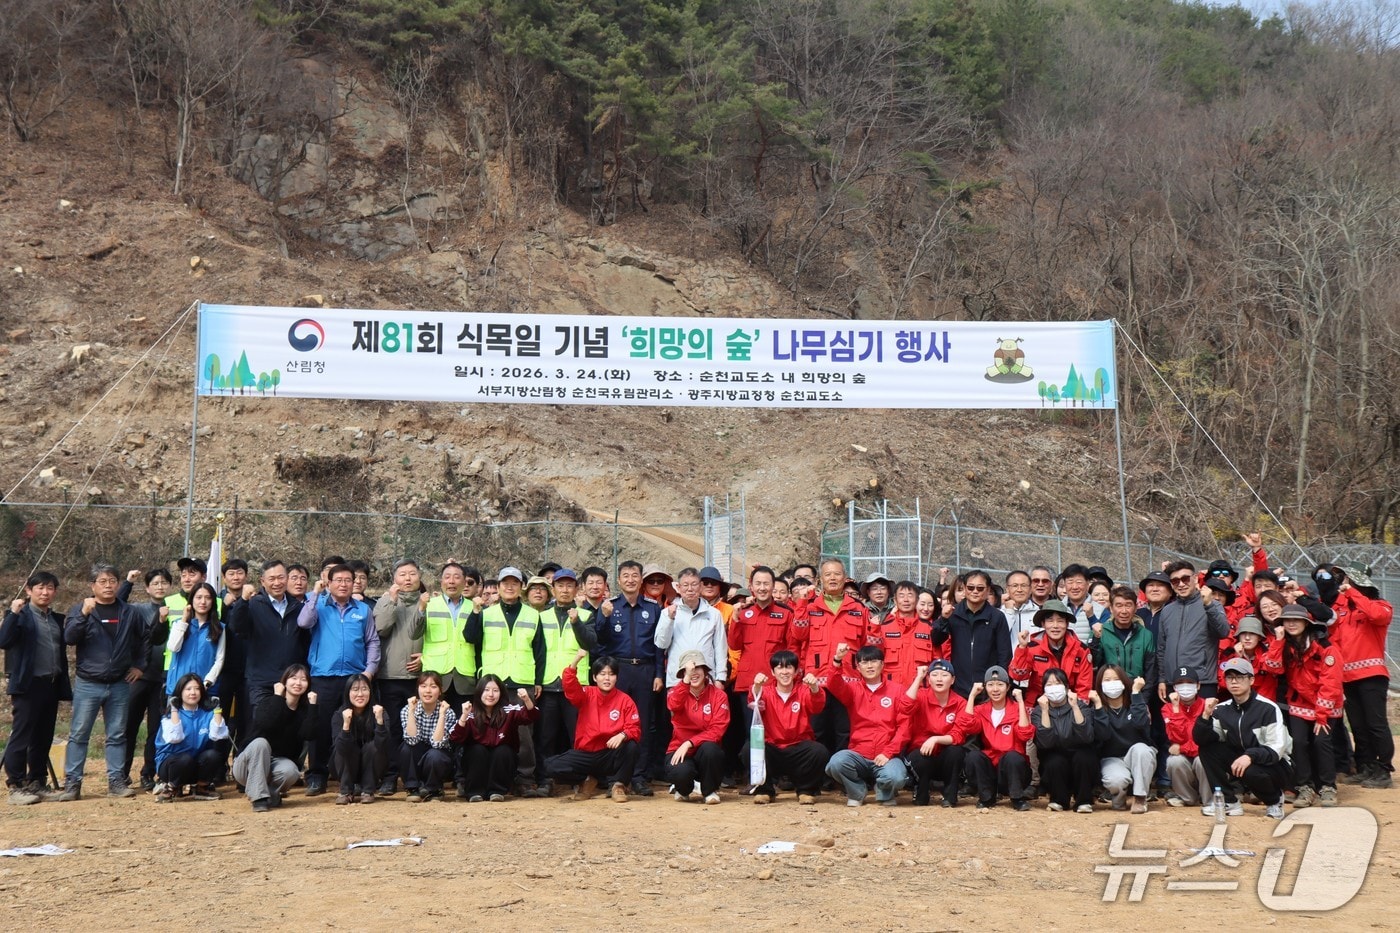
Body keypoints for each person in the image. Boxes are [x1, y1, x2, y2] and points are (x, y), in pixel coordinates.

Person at [57, 564, 145, 800]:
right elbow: (69, 638)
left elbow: (143, 640)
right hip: (88, 683)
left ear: (118, 583)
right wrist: (84, 615)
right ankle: (73, 784)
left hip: (119, 682)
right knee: (79, 734)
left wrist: (139, 666)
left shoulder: (129, 612)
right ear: (92, 586)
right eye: (103, 581)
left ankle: (116, 781)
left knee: (117, 734)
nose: (108, 585)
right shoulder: (81, 609)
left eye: (112, 581)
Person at [298, 563, 380, 795]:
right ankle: (316, 775)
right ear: (329, 583)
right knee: (320, 728)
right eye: (338, 580)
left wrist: (369, 671)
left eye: (348, 580)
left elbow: (372, 641)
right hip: (323, 676)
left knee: (353, 728)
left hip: (355, 678)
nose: (343, 584)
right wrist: (315, 593)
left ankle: (351, 776)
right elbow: (303, 623)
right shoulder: (318, 605)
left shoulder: (363, 609)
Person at [464, 567, 545, 796]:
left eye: (515, 583)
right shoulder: (486, 614)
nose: (510, 587)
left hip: (522, 681)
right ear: (497, 587)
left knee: (524, 735)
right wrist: (476, 612)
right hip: (492, 684)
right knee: (486, 732)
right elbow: (470, 638)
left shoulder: (532, 615)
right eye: (505, 583)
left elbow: (540, 651)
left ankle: (525, 779)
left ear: (521, 588)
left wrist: (537, 680)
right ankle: (493, 779)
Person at [1319, 562, 1394, 789]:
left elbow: (1376, 615)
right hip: (1347, 677)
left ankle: (1384, 770)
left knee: (1375, 724)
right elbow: (1332, 629)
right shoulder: (1343, 609)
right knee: (1358, 726)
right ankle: (1366, 766)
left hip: (1372, 674)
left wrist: (1351, 591)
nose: (1344, 583)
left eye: (1349, 579)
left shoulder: (1380, 605)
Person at [592, 560, 663, 796]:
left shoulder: (653, 608)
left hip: (645, 671)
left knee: (643, 724)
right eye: (625, 575)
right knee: (615, 724)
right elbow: (599, 640)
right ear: (618, 580)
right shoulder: (608, 606)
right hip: (618, 671)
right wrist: (603, 616)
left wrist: (659, 674)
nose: (630, 579)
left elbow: (659, 646)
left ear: (641, 579)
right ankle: (616, 777)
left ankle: (639, 777)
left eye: (635, 575)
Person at [2, 571, 71, 805]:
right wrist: (12, 612)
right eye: (40, 587)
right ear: (29, 590)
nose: (45, 592)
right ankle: (16, 785)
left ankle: (37, 781)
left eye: (50, 587)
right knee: (22, 736)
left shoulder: (56, 619)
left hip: (50, 684)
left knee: (43, 737)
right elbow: (4, 641)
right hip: (27, 685)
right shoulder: (20, 616)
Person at [1262, 604, 1341, 808]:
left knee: (1321, 742)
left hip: (1326, 705)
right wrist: (1278, 642)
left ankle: (1328, 787)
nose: (1291, 624)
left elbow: (1330, 683)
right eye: (1287, 621)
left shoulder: (1325, 647)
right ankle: (1305, 787)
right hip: (1298, 703)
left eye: (1296, 620)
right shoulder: (1285, 645)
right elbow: (1272, 667)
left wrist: (1321, 715)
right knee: (1298, 742)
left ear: (1306, 623)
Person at [1193, 657, 1291, 819]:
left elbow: (1276, 750)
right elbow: (1203, 740)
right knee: (1208, 748)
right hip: (1243, 760)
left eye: (1240, 677)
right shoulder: (1222, 709)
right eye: (1230, 677)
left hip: (1277, 765)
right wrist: (1205, 716)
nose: (1234, 682)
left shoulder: (1268, 708)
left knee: (1251, 771)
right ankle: (1229, 801)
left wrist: (1249, 756)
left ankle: (1274, 801)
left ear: (1251, 680)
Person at [546, 650, 641, 803]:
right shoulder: (586, 694)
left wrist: (622, 735)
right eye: (602, 674)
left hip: (610, 754)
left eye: (611, 674)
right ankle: (586, 781)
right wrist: (576, 660)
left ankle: (618, 785)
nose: (607, 678)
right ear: (594, 677)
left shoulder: (625, 700)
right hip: (586, 754)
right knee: (551, 766)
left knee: (631, 745)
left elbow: (635, 728)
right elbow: (570, 687)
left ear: (616, 677)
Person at [823, 643, 909, 806]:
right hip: (859, 754)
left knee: (896, 776)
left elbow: (904, 727)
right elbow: (833, 684)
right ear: (857, 666)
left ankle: (883, 791)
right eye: (864, 662)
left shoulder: (897, 690)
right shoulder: (852, 689)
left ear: (882, 664)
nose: (869, 666)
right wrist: (837, 660)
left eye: (874, 661)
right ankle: (857, 792)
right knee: (836, 763)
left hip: (887, 755)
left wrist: (888, 752)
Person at [534, 568, 597, 783]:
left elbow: (589, 643)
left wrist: (576, 621)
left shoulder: (587, 615)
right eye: (560, 585)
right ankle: (546, 780)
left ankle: (578, 779)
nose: (565, 590)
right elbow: (538, 651)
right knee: (546, 737)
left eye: (570, 585)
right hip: (549, 684)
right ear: (553, 589)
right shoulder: (541, 617)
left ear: (576, 589)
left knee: (577, 736)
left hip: (576, 687)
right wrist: (537, 681)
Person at [371, 559, 428, 796]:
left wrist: (427, 657)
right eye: (402, 574)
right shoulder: (383, 602)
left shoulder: (429, 603)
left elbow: (435, 636)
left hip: (420, 678)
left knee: (420, 728)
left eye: (412, 574)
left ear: (420, 577)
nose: (407, 578)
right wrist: (391, 601)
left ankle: (418, 776)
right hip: (390, 675)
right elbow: (382, 628)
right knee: (393, 729)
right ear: (394, 579)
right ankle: (391, 776)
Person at [224, 560, 308, 715]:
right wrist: (243, 600)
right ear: (262, 581)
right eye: (272, 579)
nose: (277, 582)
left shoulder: (298, 607)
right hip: (261, 681)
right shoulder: (253, 604)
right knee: (262, 725)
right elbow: (236, 627)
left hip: (290, 681)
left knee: (289, 727)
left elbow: (305, 642)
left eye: (281, 577)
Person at [233, 663, 318, 812]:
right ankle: (259, 798)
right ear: (284, 681)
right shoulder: (267, 702)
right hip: (247, 764)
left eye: (303, 679)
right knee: (261, 743)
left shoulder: (303, 712)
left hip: (276, 765)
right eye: (293, 678)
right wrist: (278, 697)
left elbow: (309, 735)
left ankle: (270, 794)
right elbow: (267, 724)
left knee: (291, 772)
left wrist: (312, 706)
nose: (298, 683)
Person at [747, 650, 827, 805]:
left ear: (796, 671)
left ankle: (805, 790)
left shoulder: (803, 690)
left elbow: (817, 707)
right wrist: (756, 686)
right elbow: (754, 702)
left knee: (819, 751)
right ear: (772, 672)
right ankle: (764, 790)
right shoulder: (765, 691)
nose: (784, 672)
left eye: (789, 667)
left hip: (798, 747)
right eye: (779, 667)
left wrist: (815, 688)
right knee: (749, 748)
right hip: (773, 746)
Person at [117, 568, 170, 792]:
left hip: (164, 678)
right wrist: (128, 582)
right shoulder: (137, 610)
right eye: (155, 583)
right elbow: (117, 602)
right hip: (139, 677)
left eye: (164, 582)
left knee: (156, 729)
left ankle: (149, 773)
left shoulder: (176, 608)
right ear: (147, 588)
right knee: (128, 726)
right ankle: (120, 773)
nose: (160, 586)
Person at [449, 674, 539, 802]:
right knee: (477, 750)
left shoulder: (509, 710)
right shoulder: (471, 712)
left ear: (501, 693)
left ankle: (497, 791)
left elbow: (531, 716)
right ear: (479, 692)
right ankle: (475, 792)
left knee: (503, 751)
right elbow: (455, 737)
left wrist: (526, 699)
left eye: (495, 690)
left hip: (501, 761)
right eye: (486, 690)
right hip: (476, 761)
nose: (490, 694)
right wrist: (464, 716)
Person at [1156, 561, 1230, 703]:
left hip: (1202, 681)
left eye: (1185, 578)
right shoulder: (1167, 610)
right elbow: (1162, 648)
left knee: (1203, 724)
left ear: (1195, 578)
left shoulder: (1212, 604)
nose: (1181, 584)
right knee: (1176, 724)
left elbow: (1223, 632)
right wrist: (1162, 679)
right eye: (1175, 581)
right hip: (1174, 682)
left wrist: (1208, 605)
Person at [902, 659, 972, 807]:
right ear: (929, 679)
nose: (939, 679)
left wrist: (935, 739)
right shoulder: (921, 695)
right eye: (934, 675)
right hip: (922, 752)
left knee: (956, 751)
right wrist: (918, 678)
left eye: (944, 675)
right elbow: (905, 707)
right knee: (920, 757)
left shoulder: (960, 702)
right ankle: (921, 791)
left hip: (945, 755)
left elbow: (959, 734)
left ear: (952, 680)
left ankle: (950, 796)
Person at [932, 569, 1011, 700]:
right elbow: (936, 640)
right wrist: (944, 620)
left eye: (980, 588)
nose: (975, 591)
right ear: (964, 588)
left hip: (988, 688)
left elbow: (1005, 654)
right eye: (970, 587)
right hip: (958, 688)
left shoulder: (997, 617)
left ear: (987, 590)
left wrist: (998, 682)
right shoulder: (953, 613)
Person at [664, 649, 730, 804]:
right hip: (678, 748)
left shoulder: (719, 696)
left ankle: (709, 790)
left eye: (697, 668)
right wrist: (686, 679)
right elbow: (673, 705)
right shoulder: (676, 693)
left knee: (711, 750)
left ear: (705, 671)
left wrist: (690, 742)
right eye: (688, 671)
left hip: (703, 749)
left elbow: (717, 730)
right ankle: (684, 788)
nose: (693, 673)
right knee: (681, 773)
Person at [963, 666, 1033, 810]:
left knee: (1013, 756)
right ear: (985, 687)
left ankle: (1017, 798)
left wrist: (1020, 702)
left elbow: (1025, 735)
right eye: (990, 685)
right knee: (973, 756)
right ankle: (987, 798)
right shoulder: (981, 709)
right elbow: (968, 726)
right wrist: (971, 696)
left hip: (1013, 769)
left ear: (1007, 687)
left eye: (1000, 684)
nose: (995, 689)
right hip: (991, 768)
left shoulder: (1016, 708)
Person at [1090, 665, 1155, 814]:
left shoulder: (1136, 703)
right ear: (1100, 684)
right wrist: (1099, 706)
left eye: (1116, 679)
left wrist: (1136, 692)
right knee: (1116, 781)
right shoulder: (1096, 710)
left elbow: (1141, 724)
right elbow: (1103, 735)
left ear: (1124, 682)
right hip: (1112, 758)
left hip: (1137, 755)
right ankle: (1118, 799)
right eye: (1107, 680)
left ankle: (1140, 798)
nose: (1112, 683)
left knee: (1141, 749)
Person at [153, 673, 228, 802]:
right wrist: (174, 709)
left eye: (197, 689)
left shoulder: (206, 714)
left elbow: (218, 735)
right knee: (184, 759)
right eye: (188, 689)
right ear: (180, 692)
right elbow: (175, 737)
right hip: (172, 765)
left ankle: (201, 787)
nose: (193, 693)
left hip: (195, 764)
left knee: (213, 755)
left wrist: (217, 709)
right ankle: (172, 787)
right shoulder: (170, 716)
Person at [1034, 667, 1097, 813]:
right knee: (1054, 761)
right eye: (1049, 685)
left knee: (1084, 757)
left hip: (1080, 753)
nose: (1054, 688)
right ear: (1043, 690)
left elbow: (1087, 737)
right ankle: (1058, 800)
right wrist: (1044, 711)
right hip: (1055, 754)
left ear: (1067, 687)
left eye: (1058, 683)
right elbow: (1045, 743)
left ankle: (1084, 801)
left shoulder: (1081, 706)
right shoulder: (1038, 711)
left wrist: (1075, 707)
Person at [331, 673, 388, 805]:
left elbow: (383, 745)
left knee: (373, 746)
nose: (360, 694)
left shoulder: (380, 712)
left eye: (364, 689)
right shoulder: (339, 715)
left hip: (372, 767)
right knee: (343, 745)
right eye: (355, 690)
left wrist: (380, 721)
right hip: (345, 766)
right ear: (348, 692)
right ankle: (345, 791)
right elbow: (339, 748)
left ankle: (368, 791)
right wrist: (346, 725)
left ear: (370, 691)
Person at [400, 671, 457, 803]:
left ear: (440, 690)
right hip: (417, 755)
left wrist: (442, 714)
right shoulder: (407, 709)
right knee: (407, 748)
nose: (428, 691)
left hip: (438, 757)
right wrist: (411, 711)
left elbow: (437, 744)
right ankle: (413, 788)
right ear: (418, 689)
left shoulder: (448, 712)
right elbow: (412, 739)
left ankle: (434, 789)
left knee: (435, 754)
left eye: (433, 686)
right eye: (423, 686)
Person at [164, 582, 225, 697]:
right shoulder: (179, 623)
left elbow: (219, 659)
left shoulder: (219, 628)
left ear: (213, 601)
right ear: (192, 600)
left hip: (207, 688)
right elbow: (173, 647)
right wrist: (184, 620)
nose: (203, 602)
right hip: (179, 687)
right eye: (198, 597)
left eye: (208, 598)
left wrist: (207, 683)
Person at [1161, 667, 1210, 808]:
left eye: (1189, 682)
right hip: (1185, 757)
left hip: (1202, 754)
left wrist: (1182, 748)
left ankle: (1209, 800)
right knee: (1174, 762)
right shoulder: (1168, 708)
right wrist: (1176, 709)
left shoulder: (1208, 706)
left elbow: (1206, 742)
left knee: (1203, 759)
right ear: (1175, 688)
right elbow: (1176, 737)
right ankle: (1188, 798)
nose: (1185, 686)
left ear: (1198, 685)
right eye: (1180, 683)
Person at [1089, 586, 1157, 686]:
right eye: (1119, 606)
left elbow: (1151, 672)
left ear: (1135, 608)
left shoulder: (1145, 635)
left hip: (1137, 690)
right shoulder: (1101, 632)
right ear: (1111, 608)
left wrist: (1144, 698)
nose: (1124, 611)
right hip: (1109, 690)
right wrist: (1096, 639)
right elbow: (1093, 663)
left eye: (1128, 605)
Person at [879, 581, 935, 688]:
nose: (906, 600)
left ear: (917, 600)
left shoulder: (929, 629)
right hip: (891, 690)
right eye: (901, 596)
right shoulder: (884, 628)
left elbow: (936, 662)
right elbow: (875, 660)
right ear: (895, 600)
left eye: (910, 596)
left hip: (921, 691)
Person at [1228, 617, 1277, 701]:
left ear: (1260, 637)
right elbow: (1224, 683)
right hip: (1238, 702)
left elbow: (1276, 670)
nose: (1247, 638)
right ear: (1238, 637)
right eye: (1243, 634)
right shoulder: (1229, 654)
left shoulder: (1268, 655)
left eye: (1252, 633)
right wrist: (1238, 659)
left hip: (1264, 704)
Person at [1000, 570, 1039, 641]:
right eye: (1015, 586)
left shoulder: (1038, 614)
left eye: (1024, 586)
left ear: (1030, 589)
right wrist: (1009, 612)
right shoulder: (999, 613)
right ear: (1007, 589)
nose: (1019, 590)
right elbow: (998, 636)